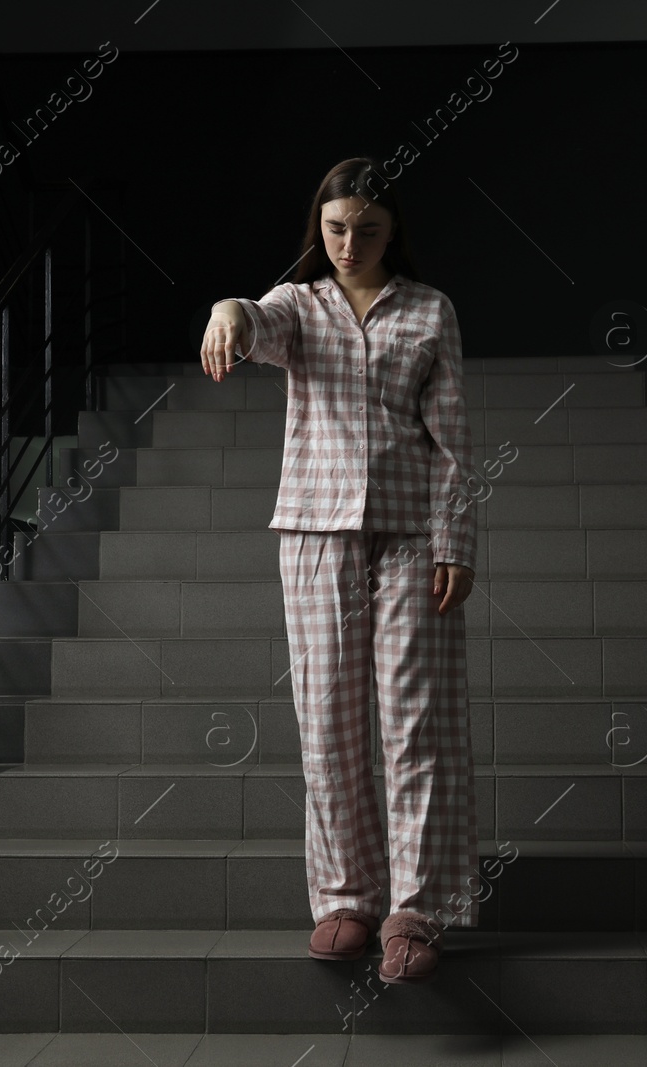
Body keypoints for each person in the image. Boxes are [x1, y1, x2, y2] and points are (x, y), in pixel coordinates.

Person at [199, 158, 479, 985]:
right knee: (327, 720)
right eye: (334, 228)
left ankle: (416, 910)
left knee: (414, 722)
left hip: (407, 536)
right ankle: (347, 900)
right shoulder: (300, 305)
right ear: (317, 227)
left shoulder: (430, 311)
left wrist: (454, 539)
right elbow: (255, 320)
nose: (349, 244)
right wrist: (226, 310)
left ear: (394, 231)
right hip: (314, 535)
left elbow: (455, 439)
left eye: (366, 228)